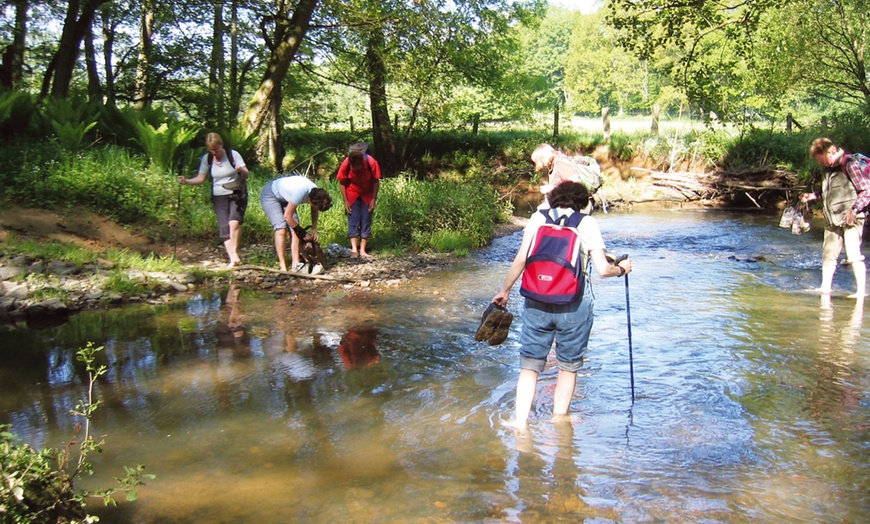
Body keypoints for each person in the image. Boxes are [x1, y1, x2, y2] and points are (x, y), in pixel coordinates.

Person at [491, 181, 631, 427]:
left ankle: (520, 423)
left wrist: (505, 290)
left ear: (554, 199)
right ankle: (560, 421)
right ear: (582, 203)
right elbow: (602, 269)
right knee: (567, 366)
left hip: (536, 300)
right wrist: (621, 269)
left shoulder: (537, 218)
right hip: (574, 305)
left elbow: (521, 258)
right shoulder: (586, 223)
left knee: (530, 364)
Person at [802, 138, 867, 299]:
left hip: (851, 218)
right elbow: (828, 193)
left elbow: (866, 190)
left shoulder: (849, 163)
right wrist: (812, 196)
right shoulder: (829, 169)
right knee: (828, 255)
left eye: (820, 158)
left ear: (829, 152)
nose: (819, 162)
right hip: (832, 219)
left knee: (853, 255)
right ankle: (825, 288)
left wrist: (854, 210)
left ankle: (860, 292)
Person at [178, 132, 250, 267]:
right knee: (224, 227)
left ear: (221, 145)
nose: (214, 153)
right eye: (211, 150)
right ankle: (233, 258)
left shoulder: (232, 155)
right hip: (219, 195)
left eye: (216, 149)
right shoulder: (207, 159)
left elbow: (247, 174)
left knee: (234, 223)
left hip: (237, 192)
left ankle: (234, 254)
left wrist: (241, 170)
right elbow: (201, 178)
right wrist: (186, 181)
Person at [259, 174, 333, 273]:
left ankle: (296, 264)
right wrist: (303, 233)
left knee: (294, 231)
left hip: (286, 198)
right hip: (270, 194)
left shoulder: (317, 193)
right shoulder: (300, 193)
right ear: (311, 201)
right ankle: (282, 265)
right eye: (315, 206)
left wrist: (314, 228)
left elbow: (314, 210)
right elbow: (287, 217)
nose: (315, 208)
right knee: (281, 229)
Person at [336, 142, 381, 258]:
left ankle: (363, 250)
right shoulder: (345, 164)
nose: (356, 170)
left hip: (368, 193)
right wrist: (345, 201)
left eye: (358, 167)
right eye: (354, 168)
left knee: (366, 219)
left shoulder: (371, 162)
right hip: (352, 193)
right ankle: (354, 250)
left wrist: (373, 199)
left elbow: (376, 181)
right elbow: (342, 183)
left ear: (362, 163)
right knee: (353, 218)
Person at [531, 143, 599, 213]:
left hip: (577, 206)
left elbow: (575, 186)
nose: (538, 164)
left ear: (543, 157)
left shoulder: (561, 162)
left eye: (537, 161)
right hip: (573, 205)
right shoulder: (556, 162)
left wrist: (552, 189)